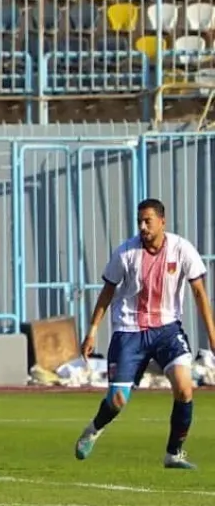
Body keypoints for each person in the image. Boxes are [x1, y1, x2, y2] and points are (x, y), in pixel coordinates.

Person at [75, 198, 215, 469]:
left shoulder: (182, 249)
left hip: (167, 330)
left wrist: (212, 335)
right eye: (139, 221)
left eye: (148, 221)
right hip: (129, 331)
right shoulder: (126, 253)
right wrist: (92, 332)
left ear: (162, 221)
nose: (142, 226)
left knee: (185, 388)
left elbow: (199, 292)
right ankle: (93, 429)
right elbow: (107, 293)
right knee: (117, 401)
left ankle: (173, 453)